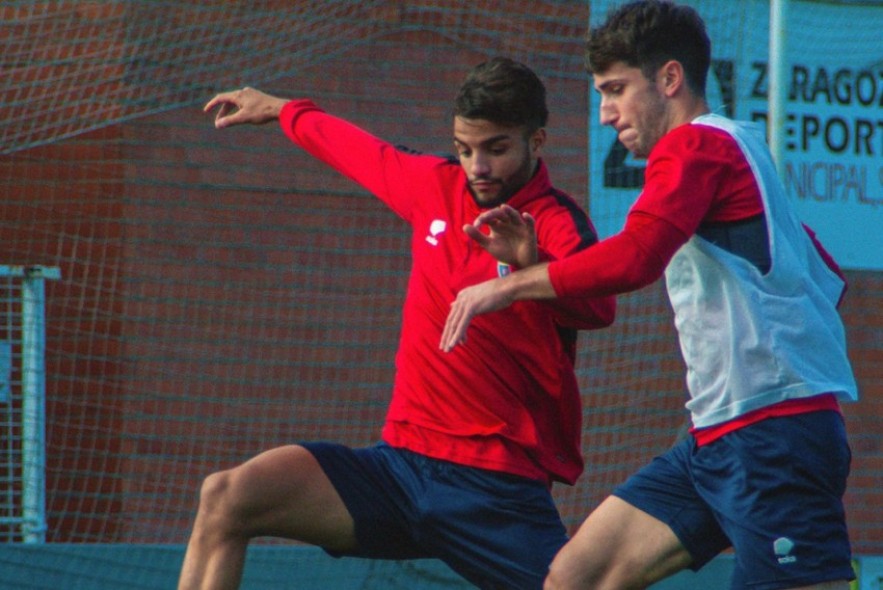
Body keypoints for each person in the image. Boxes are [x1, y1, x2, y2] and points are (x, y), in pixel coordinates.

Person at [440, 3, 858, 590]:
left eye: (616, 90)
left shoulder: (693, 148)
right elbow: (825, 278)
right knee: (577, 577)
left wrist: (509, 285)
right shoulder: (742, 146)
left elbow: (637, 256)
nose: (606, 113)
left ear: (669, 79)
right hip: (718, 439)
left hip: (772, 440)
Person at [179, 57, 615, 590]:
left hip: (495, 489)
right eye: (465, 148)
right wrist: (281, 110)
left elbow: (598, 308)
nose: (477, 166)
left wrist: (531, 263)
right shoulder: (434, 186)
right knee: (228, 497)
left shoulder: (555, 221)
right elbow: (356, 149)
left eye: (496, 149)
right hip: (399, 471)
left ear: (537, 141)